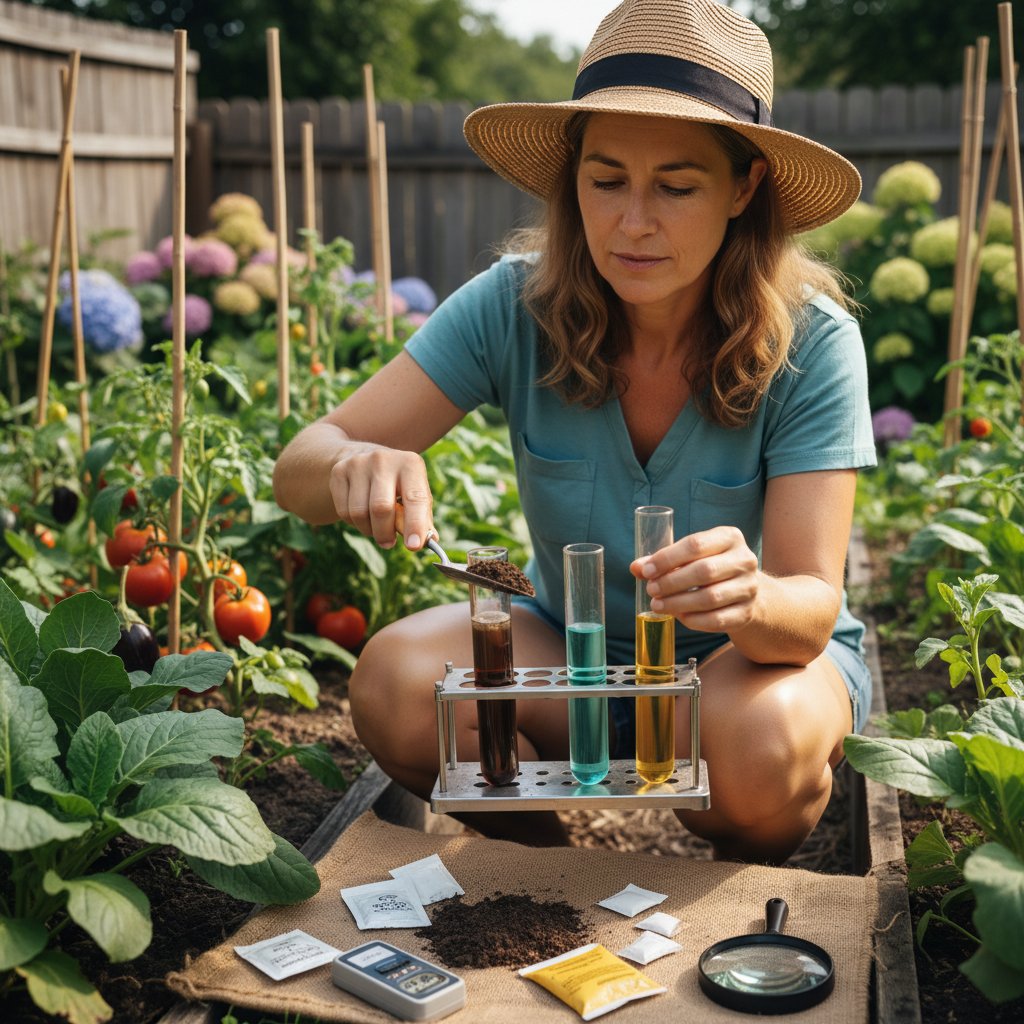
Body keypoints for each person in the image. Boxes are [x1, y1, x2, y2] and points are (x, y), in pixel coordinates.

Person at [273, 0, 877, 863]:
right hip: (573, 655)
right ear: (572, 179)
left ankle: (736, 890)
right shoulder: (514, 306)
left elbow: (809, 611)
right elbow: (298, 465)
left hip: (745, 670)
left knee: (756, 749)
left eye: (676, 186)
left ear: (744, 188)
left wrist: (751, 596)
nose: (634, 222)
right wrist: (353, 462)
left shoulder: (812, 343)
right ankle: (553, 873)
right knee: (397, 687)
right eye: (606, 179)